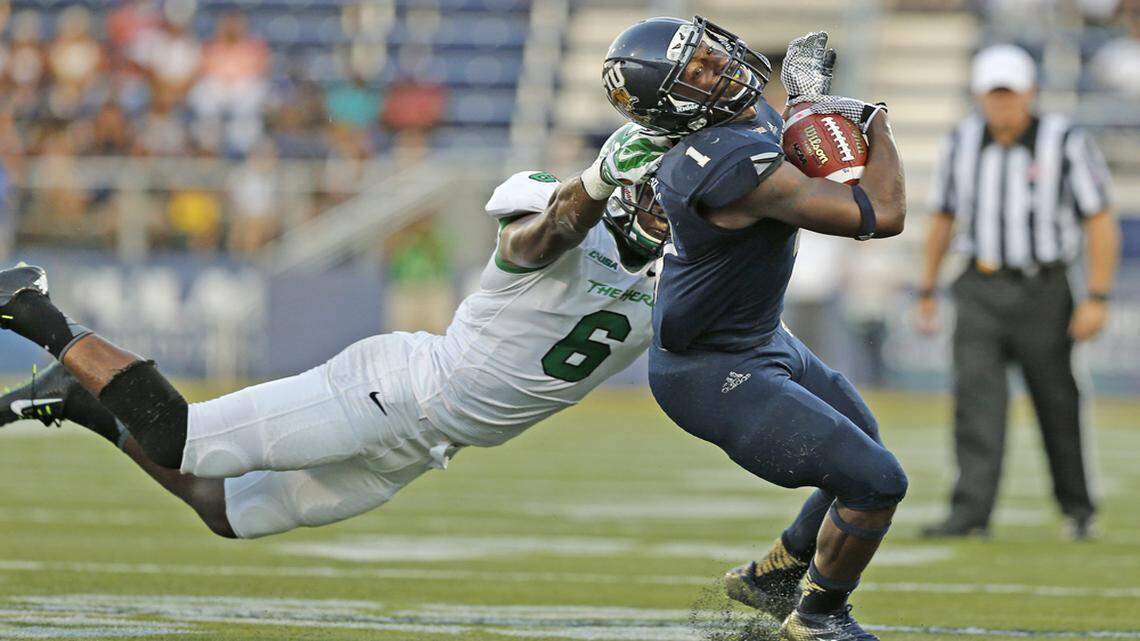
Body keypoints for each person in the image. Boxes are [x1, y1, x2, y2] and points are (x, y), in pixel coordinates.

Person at [0, 124, 672, 541]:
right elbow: (543, 234)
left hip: (431, 443)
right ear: (624, 186)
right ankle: (30, 306)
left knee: (227, 512)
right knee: (182, 439)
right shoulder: (559, 223)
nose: (671, 213)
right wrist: (595, 180)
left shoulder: (680, 281)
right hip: (394, 392)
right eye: (658, 194)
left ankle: (76, 395)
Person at [603, 21, 907, 640]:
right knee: (875, 481)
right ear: (674, 105)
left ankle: (775, 575)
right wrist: (874, 120)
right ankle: (818, 618)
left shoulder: (737, 124)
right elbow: (881, 213)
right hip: (709, 370)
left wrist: (805, 103)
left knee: (864, 443)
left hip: (761, 338)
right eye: (695, 72)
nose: (717, 67)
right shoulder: (724, 162)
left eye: (708, 53)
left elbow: (786, 139)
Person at [915, 44, 1120, 540]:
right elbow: (943, 217)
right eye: (993, 94)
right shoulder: (961, 141)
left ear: (1030, 92)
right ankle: (970, 513)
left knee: (1056, 399)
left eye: (1009, 93)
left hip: (1043, 288)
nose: (1002, 104)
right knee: (976, 401)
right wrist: (927, 288)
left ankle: (1077, 508)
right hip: (979, 285)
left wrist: (1097, 296)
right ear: (978, 96)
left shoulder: (1064, 140)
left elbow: (1099, 219)